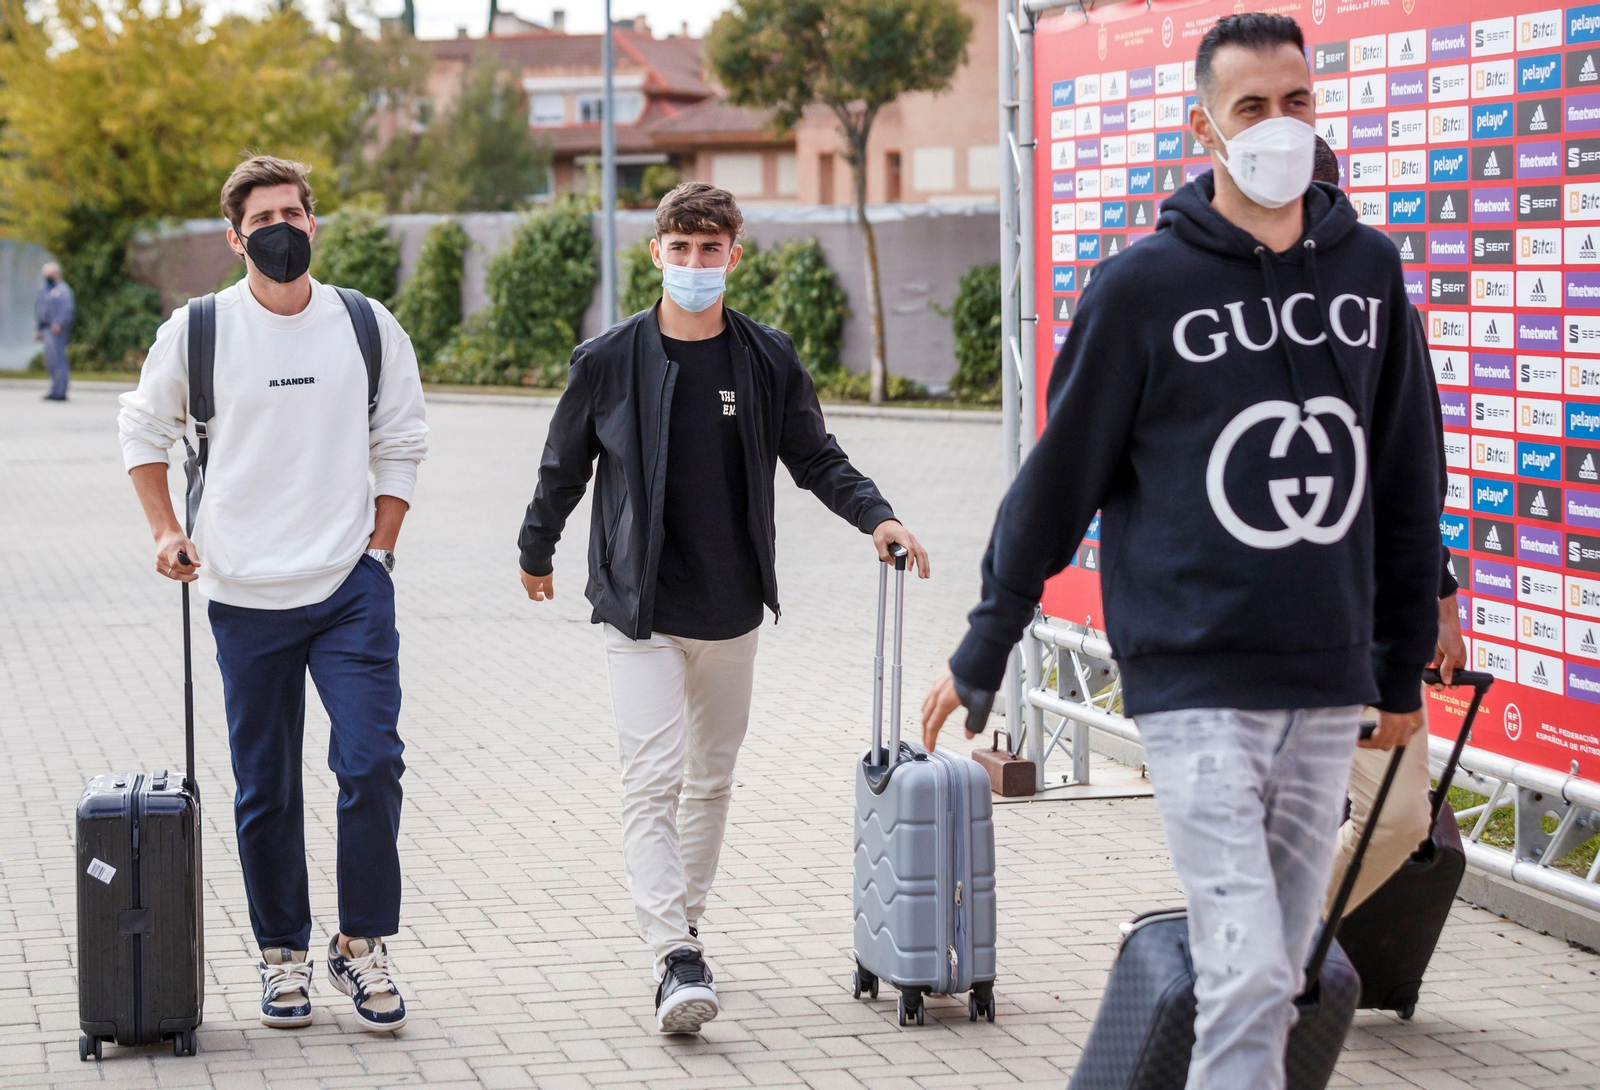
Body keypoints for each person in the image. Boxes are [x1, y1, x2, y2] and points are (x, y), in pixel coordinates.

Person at [920, 15, 1440, 1090]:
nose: (1278, 126)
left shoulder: (1369, 274)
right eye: (1250, 106)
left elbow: (1401, 475)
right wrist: (986, 645)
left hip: (1325, 676)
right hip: (1193, 674)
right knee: (1247, 971)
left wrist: (1396, 665)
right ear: (1199, 124)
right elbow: (1056, 484)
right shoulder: (1143, 288)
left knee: (1280, 976)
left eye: (1295, 101)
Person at [517, 181, 930, 1035]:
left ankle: (687, 922)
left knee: (711, 780)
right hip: (642, 608)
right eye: (681, 249)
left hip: (732, 608)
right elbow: (562, 468)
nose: (696, 265)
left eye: (712, 251)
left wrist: (878, 516)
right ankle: (672, 953)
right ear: (656, 253)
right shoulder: (607, 360)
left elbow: (817, 458)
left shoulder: (766, 357)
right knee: (652, 780)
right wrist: (535, 549)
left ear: (734, 256)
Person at [117, 155, 429, 1034]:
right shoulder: (201, 330)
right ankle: (282, 953)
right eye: (263, 218)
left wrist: (380, 547)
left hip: (346, 588)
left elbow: (402, 438)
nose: (282, 228)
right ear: (235, 235)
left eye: (294, 211)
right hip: (242, 591)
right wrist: (164, 531)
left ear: (314, 223)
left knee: (371, 762)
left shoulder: (364, 325)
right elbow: (142, 428)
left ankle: (360, 945)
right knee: (265, 786)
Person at [1309, 136, 1470, 915]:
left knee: (1397, 816)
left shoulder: (1383, 310)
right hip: (1248, 629)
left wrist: (1438, 600)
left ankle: (1291, 944)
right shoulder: (1202, 311)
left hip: (1366, 622)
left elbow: (1413, 479)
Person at [35, 261, 75, 401]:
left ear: (56, 273)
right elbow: (40, 309)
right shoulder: (45, 289)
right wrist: (39, 328)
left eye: (48, 274)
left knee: (58, 360)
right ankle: (54, 389)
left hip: (57, 330)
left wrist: (59, 323)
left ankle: (61, 391)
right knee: (51, 361)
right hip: (46, 329)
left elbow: (67, 309)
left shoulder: (63, 290)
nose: (46, 276)